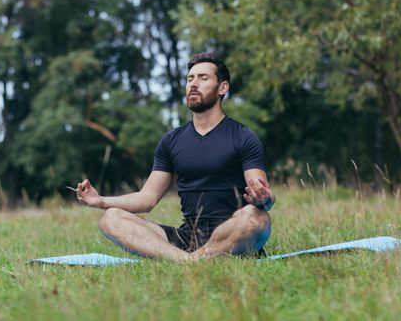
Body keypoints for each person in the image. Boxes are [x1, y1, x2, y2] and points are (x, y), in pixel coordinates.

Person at [76, 52, 275, 261]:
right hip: (187, 239)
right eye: (190, 78)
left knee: (258, 218)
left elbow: (264, 196)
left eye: (203, 78)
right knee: (110, 218)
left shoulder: (243, 136)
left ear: (222, 87)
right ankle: (188, 261)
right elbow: (146, 199)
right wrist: (100, 201)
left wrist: (265, 199)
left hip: (232, 232)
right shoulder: (171, 140)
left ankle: (196, 259)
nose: (193, 84)